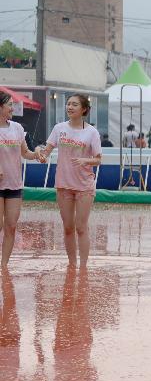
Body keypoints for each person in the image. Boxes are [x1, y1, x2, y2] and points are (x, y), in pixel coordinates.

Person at [35, 94, 102, 269]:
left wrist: (85, 161)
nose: (70, 107)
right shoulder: (59, 128)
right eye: (68, 104)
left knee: (81, 227)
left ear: (84, 109)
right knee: (67, 228)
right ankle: (72, 264)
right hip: (63, 184)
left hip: (84, 185)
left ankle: (83, 266)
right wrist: (40, 155)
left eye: (74, 104)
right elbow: (47, 151)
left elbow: (98, 159)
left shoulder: (91, 132)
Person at [0, 92, 40, 267]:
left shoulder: (17, 128)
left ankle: (4, 266)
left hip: (14, 184)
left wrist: (37, 154)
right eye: (9, 104)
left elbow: (25, 153)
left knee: (11, 226)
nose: (12, 108)